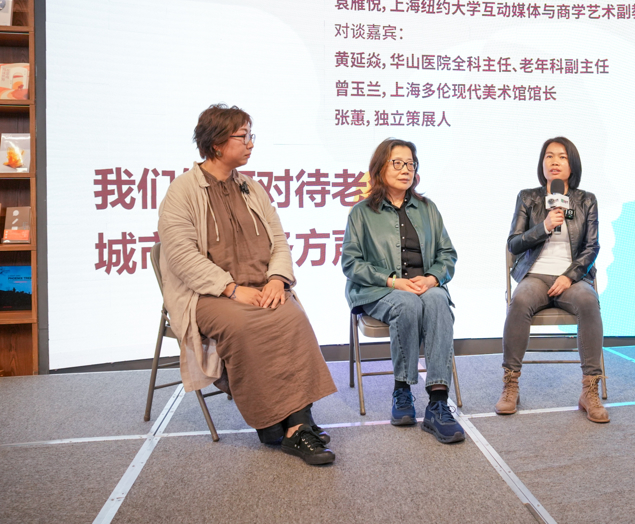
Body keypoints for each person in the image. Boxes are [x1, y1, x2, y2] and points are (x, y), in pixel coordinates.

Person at [158, 104, 337, 465]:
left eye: (250, 135)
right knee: (244, 326)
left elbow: (279, 241)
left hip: (260, 286)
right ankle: (277, 424)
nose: (251, 143)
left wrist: (277, 279)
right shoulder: (182, 191)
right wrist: (232, 289)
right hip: (208, 295)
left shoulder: (251, 188)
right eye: (243, 136)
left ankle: (295, 425)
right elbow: (181, 256)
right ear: (217, 143)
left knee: (292, 317)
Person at [341, 138, 464, 444]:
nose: (405, 169)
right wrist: (393, 281)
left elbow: (448, 255)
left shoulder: (427, 209)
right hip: (379, 290)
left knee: (438, 301)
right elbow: (351, 263)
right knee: (407, 304)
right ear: (379, 168)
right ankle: (402, 390)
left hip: (425, 287)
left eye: (410, 163)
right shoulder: (361, 213)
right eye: (397, 163)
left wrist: (432, 278)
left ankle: (438, 402)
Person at [496, 137, 609, 423]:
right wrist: (544, 226)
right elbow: (514, 244)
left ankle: (590, 390)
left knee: (589, 302)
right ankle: (510, 385)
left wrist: (569, 276)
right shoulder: (528, 198)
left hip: (572, 277)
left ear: (572, 165)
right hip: (535, 275)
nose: (554, 162)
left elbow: (591, 247)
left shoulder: (586, 200)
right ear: (542, 163)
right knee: (520, 300)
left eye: (562, 157)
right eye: (549, 156)